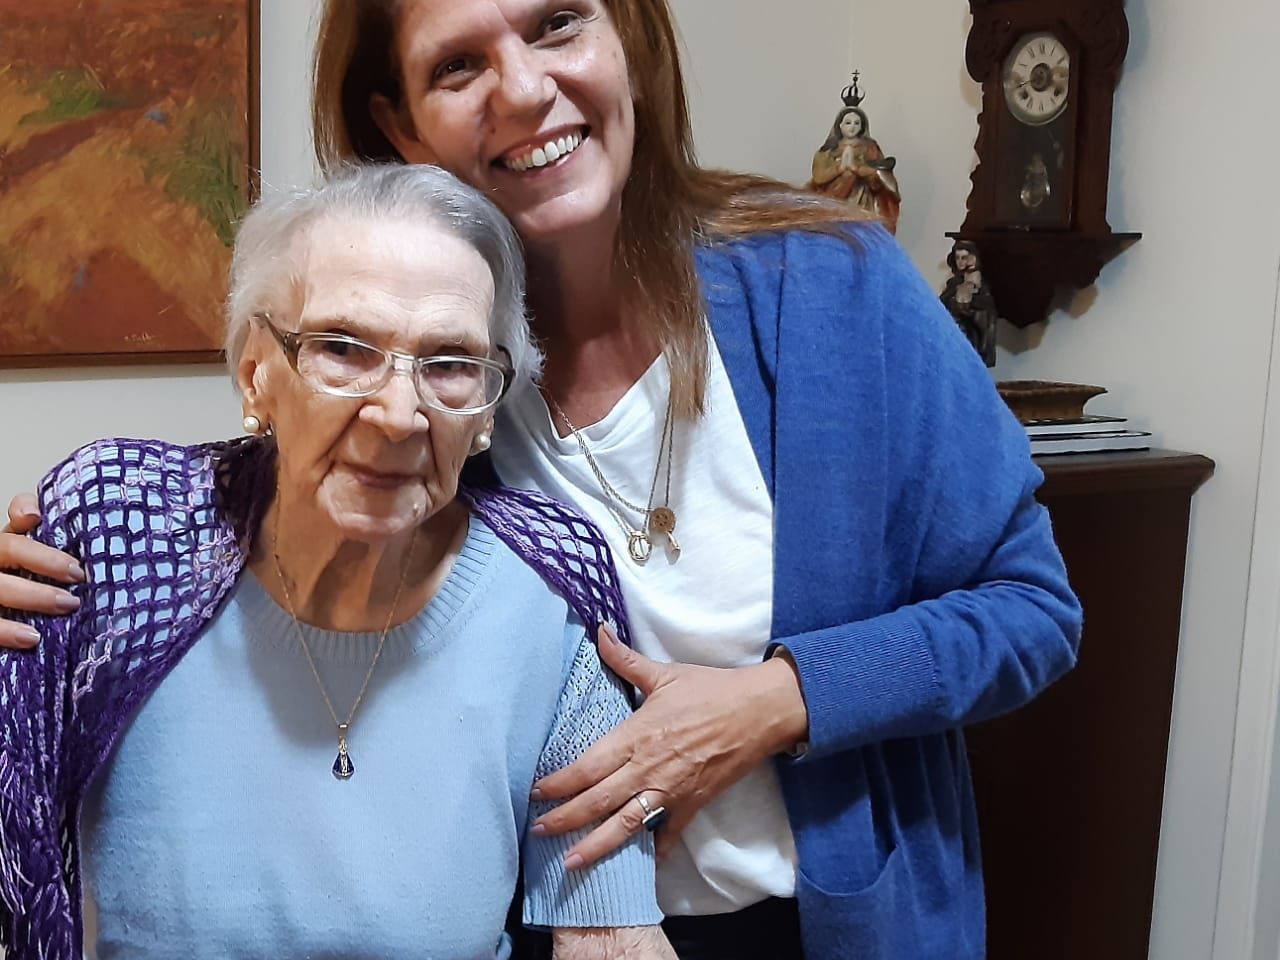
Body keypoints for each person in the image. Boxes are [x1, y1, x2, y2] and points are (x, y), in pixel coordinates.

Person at [0, 2, 1084, 957]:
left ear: (630, 40)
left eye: (558, 22)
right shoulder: (441, 378)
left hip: (835, 927)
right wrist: (74, 533)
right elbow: (293, 463)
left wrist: (770, 704)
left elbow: (1032, 608)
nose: (523, 89)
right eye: (457, 65)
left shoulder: (833, 284)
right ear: (397, 123)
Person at [0, 164, 675, 960]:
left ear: (489, 408)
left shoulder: (550, 589)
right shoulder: (120, 537)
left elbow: (611, 936)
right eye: (344, 349)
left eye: (450, 362)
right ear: (258, 372)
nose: (397, 415)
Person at [807, 105, 902, 233]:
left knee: (860, 232)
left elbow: (879, 175)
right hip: (834, 199)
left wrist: (857, 169)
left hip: (862, 199)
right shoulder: (828, 150)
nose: (852, 127)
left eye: (856, 123)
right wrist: (839, 169)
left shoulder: (870, 149)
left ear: (862, 126)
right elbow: (819, 177)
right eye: (848, 123)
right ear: (840, 125)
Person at [941, 240, 999, 367]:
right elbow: (942, 303)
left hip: (973, 334)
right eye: (957, 258)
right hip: (955, 334)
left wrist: (969, 305)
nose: (960, 262)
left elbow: (987, 309)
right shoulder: (954, 283)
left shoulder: (980, 284)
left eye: (964, 258)